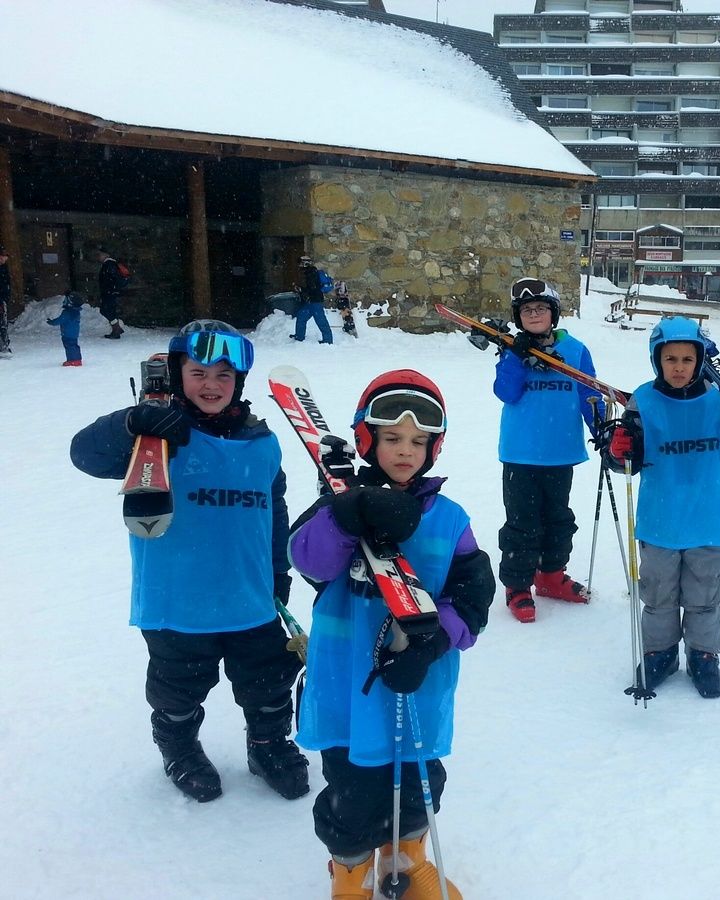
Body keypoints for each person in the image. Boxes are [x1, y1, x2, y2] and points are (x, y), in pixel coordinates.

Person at [69, 320, 308, 802]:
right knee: (178, 687)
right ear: (178, 373)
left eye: (224, 375)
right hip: (177, 600)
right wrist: (131, 422)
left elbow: (273, 507)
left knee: (268, 681)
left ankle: (267, 744)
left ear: (239, 381)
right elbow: (84, 453)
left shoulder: (261, 441)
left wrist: (278, 571)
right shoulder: (154, 438)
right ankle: (179, 746)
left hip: (249, 594)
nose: (211, 385)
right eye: (198, 372)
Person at [288, 369, 493, 900]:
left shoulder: (450, 518)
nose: (406, 451)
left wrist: (435, 640)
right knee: (353, 790)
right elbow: (306, 559)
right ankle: (351, 871)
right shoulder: (339, 507)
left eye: (419, 441)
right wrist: (345, 516)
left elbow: (473, 590)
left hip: (421, 680)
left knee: (423, 779)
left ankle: (407, 857)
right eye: (392, 438)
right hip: (348, 682)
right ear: (366, 440)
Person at [598, 317, 720, 699]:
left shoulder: (718, 399)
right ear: (657, 360)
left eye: (687, 359)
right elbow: (627, 457)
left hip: (707, 519)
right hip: (660, 521)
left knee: (704, 596)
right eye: (670, 358)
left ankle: (703, 653)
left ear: (700, 361)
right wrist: (619, 450)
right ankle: (660, 652)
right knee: (658, 596)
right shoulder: (644, 398)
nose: (678, 367)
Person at [494, 277, 601, 623]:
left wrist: (602, 429)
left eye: (540, 308)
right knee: (522, 523)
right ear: (518, 316)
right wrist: (517, 357)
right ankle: (518, 585)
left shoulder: (575, 350)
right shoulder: (513, 349)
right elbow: (505, 392)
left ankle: (551, 575)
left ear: (553, 313)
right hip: (521, 454)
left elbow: (589, 394)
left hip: (560, 452)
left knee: (558, 519)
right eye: (527, 309)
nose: (534, 313)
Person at [292, 255, 334, 344]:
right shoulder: (307, 272)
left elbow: (313, 288)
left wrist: (301, 289)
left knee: (320, 320)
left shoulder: (311, 273)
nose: (299, 265)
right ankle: (299, 337)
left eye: (300, 262)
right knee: (301, 317)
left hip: (315, 301)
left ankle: (328, 340)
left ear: (305, 263)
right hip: (310, 301)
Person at [47, 291, 84, 366]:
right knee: (74, 345)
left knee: (70, 346)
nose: (64, 301)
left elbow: (60, 320)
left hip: (67, 333)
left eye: (65, 300)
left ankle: (74, 360)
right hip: (74, 333)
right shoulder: (76, 312)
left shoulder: (67, 313)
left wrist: (52, 322)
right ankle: (76, 359)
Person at [96, 248, 125, 339]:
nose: (98, 257)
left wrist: (110, 289)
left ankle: (116, 329)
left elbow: (111, 279)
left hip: (109, 292)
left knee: (106, 310)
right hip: (110, 292)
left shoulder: (109, 265)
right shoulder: (110, 264)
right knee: (109, 310)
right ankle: (116, 328)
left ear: (106, 255)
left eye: (100, 254)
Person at [0, 246, 11, 355]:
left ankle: (3, 345)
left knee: (3, 323)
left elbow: (6, 283)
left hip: (2, 299)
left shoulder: (4, 267)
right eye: (3, 257)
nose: (5, 259)